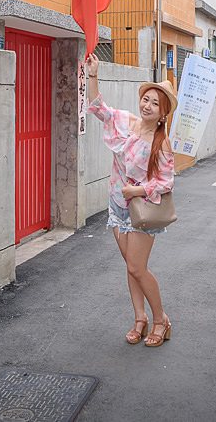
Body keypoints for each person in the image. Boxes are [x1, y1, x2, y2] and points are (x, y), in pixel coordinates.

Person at [84, 54, 175, 347]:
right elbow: (99, 109)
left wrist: (137, 191)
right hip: (117, 207)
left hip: (142, 211)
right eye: (145, 99)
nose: (147, 105)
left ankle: (161, 320)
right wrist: (93, 75)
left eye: (154, 104)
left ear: (163, 113)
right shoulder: (128, 123)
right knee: (130, 265)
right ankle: (139, 318)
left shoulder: (161, 143)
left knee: (137, 267)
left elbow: (166, 182)